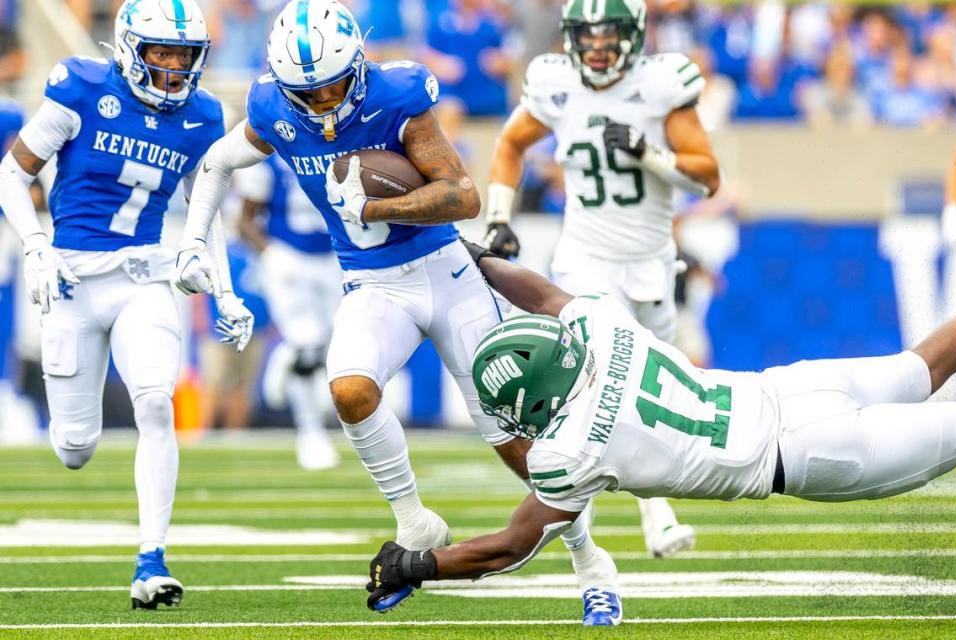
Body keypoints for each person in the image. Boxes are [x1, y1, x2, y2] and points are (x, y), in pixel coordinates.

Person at [174, 0, 622, 625]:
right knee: (351, 391)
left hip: (449, 275)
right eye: (309, 91)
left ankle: (590, 560)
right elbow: (217, 163)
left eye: (333, 83)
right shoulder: (274, 105)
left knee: (520, 441)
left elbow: (463, 196)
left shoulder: (396, 96)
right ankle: (415, 520)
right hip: (373, 284)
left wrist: (379, 208)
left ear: (357, 62)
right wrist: (195, 242)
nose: (325, 102)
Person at [366, 240, 956, 623]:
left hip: (812, 454)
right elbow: (545, 295)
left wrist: (419, 567)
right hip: (791, 388)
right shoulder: (602, 328)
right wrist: (475, 255)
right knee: (928, 362)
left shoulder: (569, 451)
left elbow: (509, 548)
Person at [0, 0, 253, 610]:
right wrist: (34, 244)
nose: (172, 67)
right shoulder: (80, 86)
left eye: (183, 56)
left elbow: (204, 206)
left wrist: (222, 287)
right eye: (160, 53)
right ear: (129, 48)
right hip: (71, 281)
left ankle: (151, 560)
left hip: (144, 279)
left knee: (156, 404)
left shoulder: (201, 115)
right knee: (74, 447)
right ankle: (81, 446)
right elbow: (12, 173)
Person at [483, 0, 719, 561]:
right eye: (585, 36)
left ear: (634, 35)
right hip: (584, 260)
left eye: (607, 35)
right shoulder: (555, 82)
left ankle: (646, 503)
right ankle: (611, 524)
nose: (594, 47)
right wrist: (498, 216)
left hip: (651, 261)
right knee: (595, 380)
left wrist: (649, 155)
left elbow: (706, 179)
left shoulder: (662, 83)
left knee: (659, 386)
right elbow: (512, 143)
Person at [235, 155, 342, 470]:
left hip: (337, 256)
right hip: (289, 257)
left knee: (337, 344)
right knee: (307, 340)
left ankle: (287, 354)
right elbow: (244, 220)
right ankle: (311, 433)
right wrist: (270, 254)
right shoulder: (268, 152)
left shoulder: (341, 138)